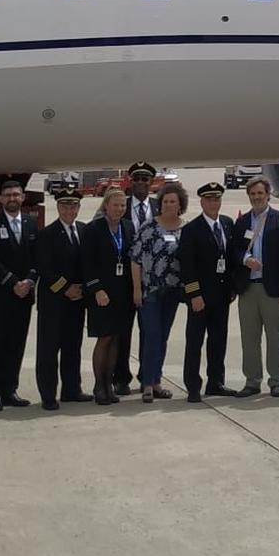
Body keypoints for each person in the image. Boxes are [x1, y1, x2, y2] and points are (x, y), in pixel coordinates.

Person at [0, 180, 38, 410]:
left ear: (23, 198)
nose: (12, 198)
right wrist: (13, 283)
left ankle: (10, 390)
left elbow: (36, 257)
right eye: (8, 195)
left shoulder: (32, 224)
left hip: (24, 296)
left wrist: (29, 281)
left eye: (16, 194)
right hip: (0, 296)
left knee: (16, 344)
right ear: (1, 199)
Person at [232, 175, 279, 398]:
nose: (257, 197)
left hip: (273, 289)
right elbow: (235, 250)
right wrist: (245, 260)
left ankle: (276, 380)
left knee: (274, 337)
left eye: (260, 193)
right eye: (253, 194)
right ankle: (252, 380)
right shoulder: (242, 221)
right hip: (248, 288)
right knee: (250, 338)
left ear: (268, 195)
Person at [178, 181, 236, 403]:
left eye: (217, 199)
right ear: (202, 202)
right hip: (200, 298)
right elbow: (187, 265)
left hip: (222, 296)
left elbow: (229, 260)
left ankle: (215, 382)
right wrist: (194, 295)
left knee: (218, 341)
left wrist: (232, 288)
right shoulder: (192, 230)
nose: (213, 203)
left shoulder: (228, 224)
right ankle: (193, 386)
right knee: (194, 342)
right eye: (209, 199)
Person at [33, 185, 89, 410]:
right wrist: (66, 288)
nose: (69, 210)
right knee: (48, 349)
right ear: (58, 207)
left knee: (72, 347)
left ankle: (71, 389)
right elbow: (44, 268)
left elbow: (88, 264)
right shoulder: (46, 234)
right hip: (54, 301)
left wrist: (83, 288)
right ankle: (48, 394)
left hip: (77, 301)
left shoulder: (84, 231)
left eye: (73, 205)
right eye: (65, 205)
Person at [132, 182, 186, 405]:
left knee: (162, 336)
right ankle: (146, 383)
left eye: (173, 201)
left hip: (172, 292)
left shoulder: (185, 228)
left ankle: (155, 381)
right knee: (152, 334)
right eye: (165, 201)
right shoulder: (148, 228)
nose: (169, 205)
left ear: (180, 205)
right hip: (150, 291)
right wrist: (136, 289)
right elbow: (135, 260)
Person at [82, 187, 136, 404]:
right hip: (102, 293)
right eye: (115, 205)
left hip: (122, 292)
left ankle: (109, 384)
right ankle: (98, 385)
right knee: (104, 338)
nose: (119, 209)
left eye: (123, 205)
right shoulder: (93, 229)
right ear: (106, 206)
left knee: (116, 338)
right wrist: (97, 289)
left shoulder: (128, 227)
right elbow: (87, 263)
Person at [113, 162, 159, 396]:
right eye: (137, 179)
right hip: (124, 281)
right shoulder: (120, 205)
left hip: (152, 281)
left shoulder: (159, 206)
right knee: (123, 331)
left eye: (145, 179)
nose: (141, 183)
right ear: (130, 181)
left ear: (152, 182)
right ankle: (121, 377)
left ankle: (147, 377)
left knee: (150, 331)